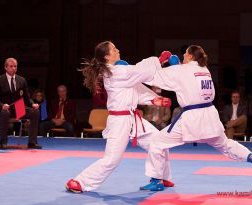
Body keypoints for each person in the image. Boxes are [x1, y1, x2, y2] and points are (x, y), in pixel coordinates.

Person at [141, 45, 252, 191]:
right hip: (210, 115)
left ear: (191, 56)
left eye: (185, 54)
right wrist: (176, 65)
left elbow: (153, 77)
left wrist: (161, 61)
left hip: (192, 118)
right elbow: (187, 79)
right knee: (226, 144)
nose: (183, 56)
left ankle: (157, 180)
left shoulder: (181, 71)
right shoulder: (205, 70)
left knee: (157, 142)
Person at [65, 41, 174, 193]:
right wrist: (159, 60)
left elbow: (133, 89)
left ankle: (160, 176)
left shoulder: (119, 72)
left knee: (158, 141)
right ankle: (79, 182)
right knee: (112, 159)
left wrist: (153, 100)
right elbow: (139, 71)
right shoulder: (114, 72)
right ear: (107, 56)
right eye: (114, 49)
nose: (118, 50)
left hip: (131, 119)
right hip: (119, 121)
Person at [0, 57, 42, 149]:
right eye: (11, 66)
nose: (13, 68)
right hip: (5, 109)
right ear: (6, 67)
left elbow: (27, 97)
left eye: (15, 66)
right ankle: (3, 142)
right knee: (4, 113)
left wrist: (32, 104)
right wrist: (2, 105)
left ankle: (32, 142)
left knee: (35, 112)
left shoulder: (22, 80)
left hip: (19, 108)